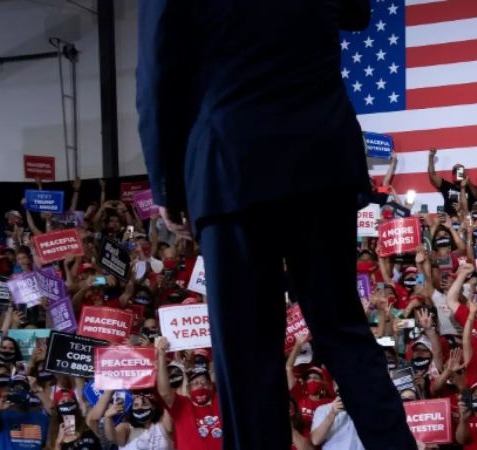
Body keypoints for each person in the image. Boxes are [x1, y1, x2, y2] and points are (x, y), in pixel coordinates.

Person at [136, 1, 416, 449]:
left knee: (246, 355)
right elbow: (356, 12)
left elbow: (155, 73)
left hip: (232, 165)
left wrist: (166, 185)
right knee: (344, 331)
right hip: (322, 156)